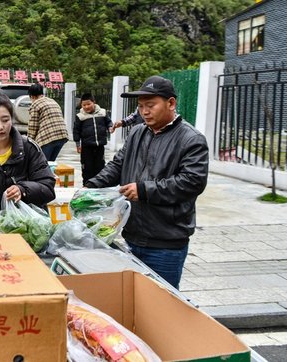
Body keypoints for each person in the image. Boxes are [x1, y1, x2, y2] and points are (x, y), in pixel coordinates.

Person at [84, 75, 209, 289]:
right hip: (131, 235)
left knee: (164, 304)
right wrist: (90, 186)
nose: (144, 112)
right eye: (141, 106)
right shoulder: (137, 132)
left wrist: (144, 190)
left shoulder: (190, 139)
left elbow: (192, 182)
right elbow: (117, 165)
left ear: (171, 103)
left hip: (166, 243)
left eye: (150, 105)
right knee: (134, 300)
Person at [73, 93, 113, 186]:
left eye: (88, 104)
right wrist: (78, 144)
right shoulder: (80, 116)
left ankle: (99, 185)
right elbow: (76, 131)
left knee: (100, 166)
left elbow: (108, 122)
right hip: (86, 147)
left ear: (94, 102)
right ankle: (87, 185)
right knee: (87, 168)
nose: (86, 107)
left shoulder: (102, 112)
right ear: (81, 105)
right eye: (84, 105)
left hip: (100, 146)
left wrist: (110, 127)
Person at [27, 83, 68, 161]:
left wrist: (29, 143)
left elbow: (33, 127)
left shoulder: (35, 104)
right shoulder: (52, 101)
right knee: (50, 163)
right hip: (62, 136)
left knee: (42, 164)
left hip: (48, 137)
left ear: (32, 96)